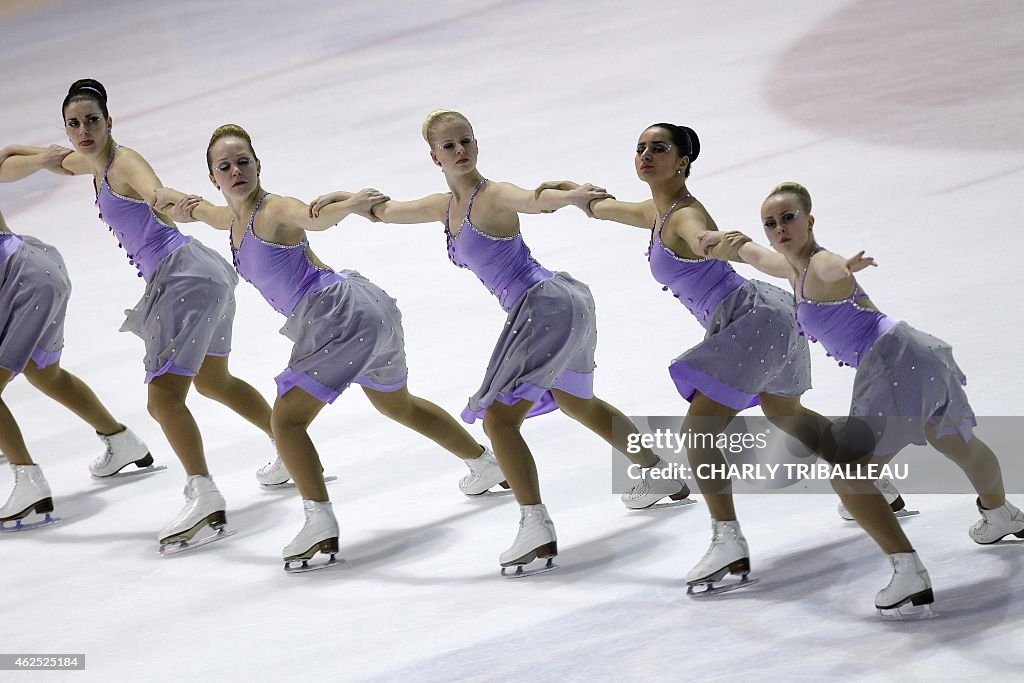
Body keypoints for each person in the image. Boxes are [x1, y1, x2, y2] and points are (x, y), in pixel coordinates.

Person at [310, 110, 688, 576]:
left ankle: (536, 525)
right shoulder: (443, 205)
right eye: (448, 146)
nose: (460, 150)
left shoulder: (494, 195)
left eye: (466, 140)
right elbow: (384, 211)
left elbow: (532, 199)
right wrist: (346, 201)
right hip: (560, 301)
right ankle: (656, 469)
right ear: (434, 156)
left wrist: (571, 196)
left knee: (499, 419)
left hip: (543, 303)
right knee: (576, 399)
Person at [541, 123, 900, 597]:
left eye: (660, 149)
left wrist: (742, 250)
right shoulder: (658, 209)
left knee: (698, 432)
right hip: (768, 313)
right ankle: (874, 483)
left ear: (683, 161)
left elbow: (711, 241)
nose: (646, 155)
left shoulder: (685, 217)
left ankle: (726, 540)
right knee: (785, 412)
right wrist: (572, 194)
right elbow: (603, 209)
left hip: (753, 320)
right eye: (641, 148)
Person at [153, 123, 506, 570]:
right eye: (225, 166)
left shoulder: (275, 208)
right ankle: (484, 462)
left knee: (286, 422)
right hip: (364, 310)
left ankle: (318, 521)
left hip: (336, 317)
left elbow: (314, 216)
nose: (237, 170)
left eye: (244, 161)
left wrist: (353, 204)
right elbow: (199, 211)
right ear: (214, 177)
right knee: (398, 406)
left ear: (259, 165)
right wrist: (166, 200)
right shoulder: (233, 216)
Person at [699, 181, 1024, 617]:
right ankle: (1000, 513)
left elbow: (833, 268)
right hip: (916, 351)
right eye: (771, 222)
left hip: (893, 364)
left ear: (809, 220)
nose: (779, 228)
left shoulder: (819, 264)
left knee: (848, 477)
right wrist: (721, 243)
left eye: (789, 218)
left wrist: (845, 265)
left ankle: (908, 572)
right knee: (955, 442)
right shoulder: (790, 267)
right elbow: (750, 254)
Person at [7, 79, 276, 552]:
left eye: (92, 120)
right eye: (74, 124)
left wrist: (180, 201)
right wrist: (35, 151)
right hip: (201, 273)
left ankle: (204, 494)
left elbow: (154, 192)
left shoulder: (122, 161)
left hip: (182, 276)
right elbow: (15, 161)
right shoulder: (87, 159)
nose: (84, 130)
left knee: (163, 400)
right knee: (214, 381)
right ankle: (289, 447)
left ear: (110, 122)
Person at [0, 144, 152, 531]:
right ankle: (121, 441)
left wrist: (34, 159)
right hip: (36, 269)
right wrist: (32, 157)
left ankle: (27, 478)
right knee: (43, 372)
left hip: (21, 279)